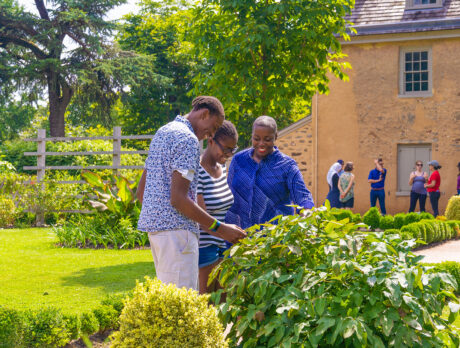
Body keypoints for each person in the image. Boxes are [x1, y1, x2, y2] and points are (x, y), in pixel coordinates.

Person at [136, 96, 246, 291]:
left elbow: (142, 191)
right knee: (181, 307)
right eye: (214, 127)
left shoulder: (164, 132)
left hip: (157, 234)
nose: (211, 134)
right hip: (179, 235)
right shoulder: (188, 140)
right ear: (204, 114)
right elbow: (179, 199)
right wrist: (220, 228)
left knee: (169, 301)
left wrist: (160, 219)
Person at [226, 116, 314, 230]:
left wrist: (307, 214)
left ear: (275, 136)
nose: (261, 144)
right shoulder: (238, 160)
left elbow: (302, 196)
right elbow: (229, 195)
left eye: (267, 139)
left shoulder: (287, 165)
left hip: (274, 240)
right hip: (239, 236)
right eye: (256, 138)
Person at [197, 121, 238, 294]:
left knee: (222, 302)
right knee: (205, 301)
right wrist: (225, 231)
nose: (228, 154)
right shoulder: (197, 171)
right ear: (211, 140)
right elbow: (200, 218)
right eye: (226, 149)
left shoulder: (222, 169)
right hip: (204, 246)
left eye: (232, 150)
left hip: (222, 243)